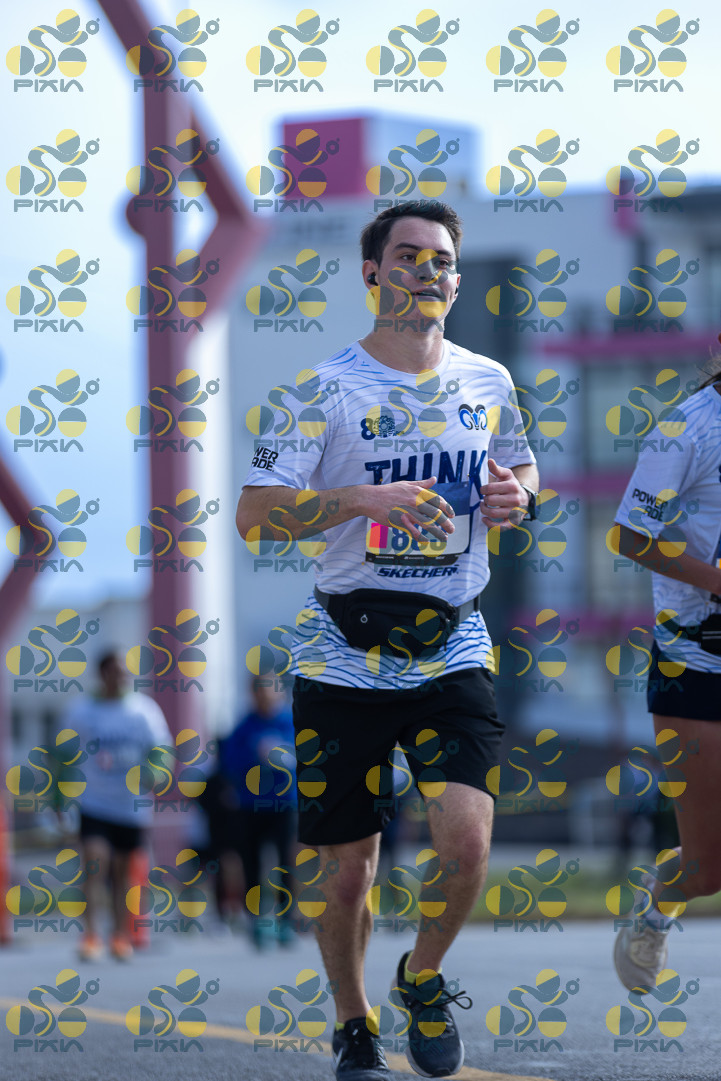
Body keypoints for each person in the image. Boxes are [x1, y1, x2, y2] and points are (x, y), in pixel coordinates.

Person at [237, 201, 539, 1080]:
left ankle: (422, 975)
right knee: (346, 872)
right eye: (407, 256)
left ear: (456, 279)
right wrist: (359, 500)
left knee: (467, 843)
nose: (426, 271)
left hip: (452, 642)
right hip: (343, 650)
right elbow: (255, 514)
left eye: (440, 260)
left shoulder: (488, 380)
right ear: (372, 274)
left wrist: (520, 495)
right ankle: (354, 1022)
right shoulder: (320, 388)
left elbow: (520, 465)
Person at [612, 360, 721, 992]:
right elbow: (629, 537)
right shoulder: (686, 428)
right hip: (695, 661)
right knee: (708, 870)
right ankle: (657, 907)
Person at [64, 649, 171, 961]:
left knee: (124, 875)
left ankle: (120, 936)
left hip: (131, 805)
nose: (121, 677)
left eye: (125, 671)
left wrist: (156, 771)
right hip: (94, 802)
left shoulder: (143, 710)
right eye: (115, 671)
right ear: (102, 674)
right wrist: (59, 796)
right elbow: (63, 753)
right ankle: (91, 936)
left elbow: (161, 748)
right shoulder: (82, 711)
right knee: (94, 865)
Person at [219, 677, 297, 947]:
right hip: (250, 805)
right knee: (252, 863)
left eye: (269, 689)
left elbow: (309, 757)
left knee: (285, 862)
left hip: (284, 804)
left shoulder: (291, 722)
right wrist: (256, 755)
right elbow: (229, 762)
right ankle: (257, 921)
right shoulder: (244, 727)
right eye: (259, 690)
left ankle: (286, 921)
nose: (264, 695)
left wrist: (282, 757)